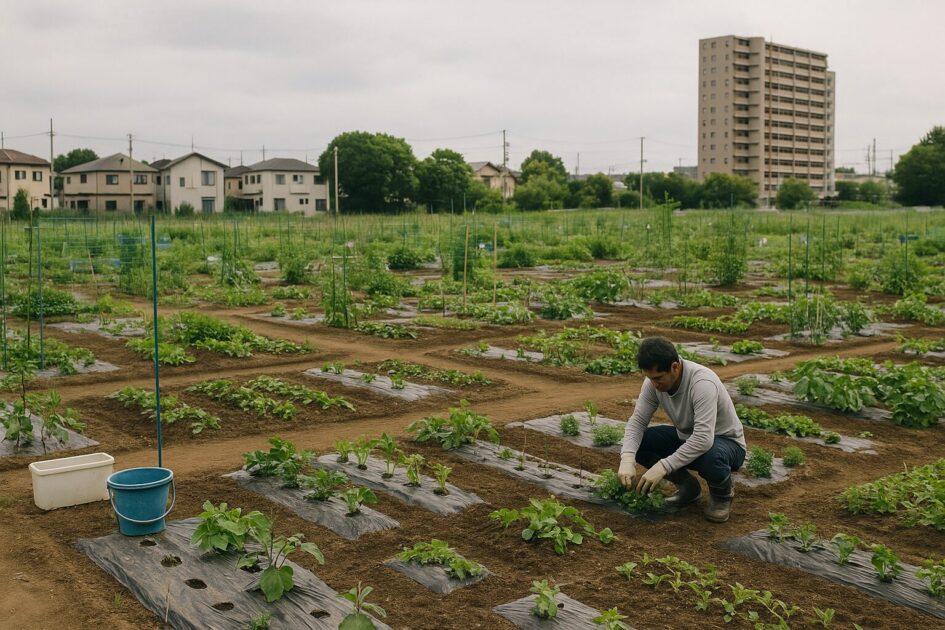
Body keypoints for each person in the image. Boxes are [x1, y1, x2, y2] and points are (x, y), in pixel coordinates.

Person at [618, 336, 747, 523]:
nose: (654, 384)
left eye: (658, 378)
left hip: (727, 444)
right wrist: (627, 458)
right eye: (650, 378)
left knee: (711, 455)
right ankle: (689, 488)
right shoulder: (653, 384)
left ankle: (722, 497)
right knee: (642, 442)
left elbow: (703, 438)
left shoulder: (702, 383)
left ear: (675, 367)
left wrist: (663, 466)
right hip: (689, 438)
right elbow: (637, 422)